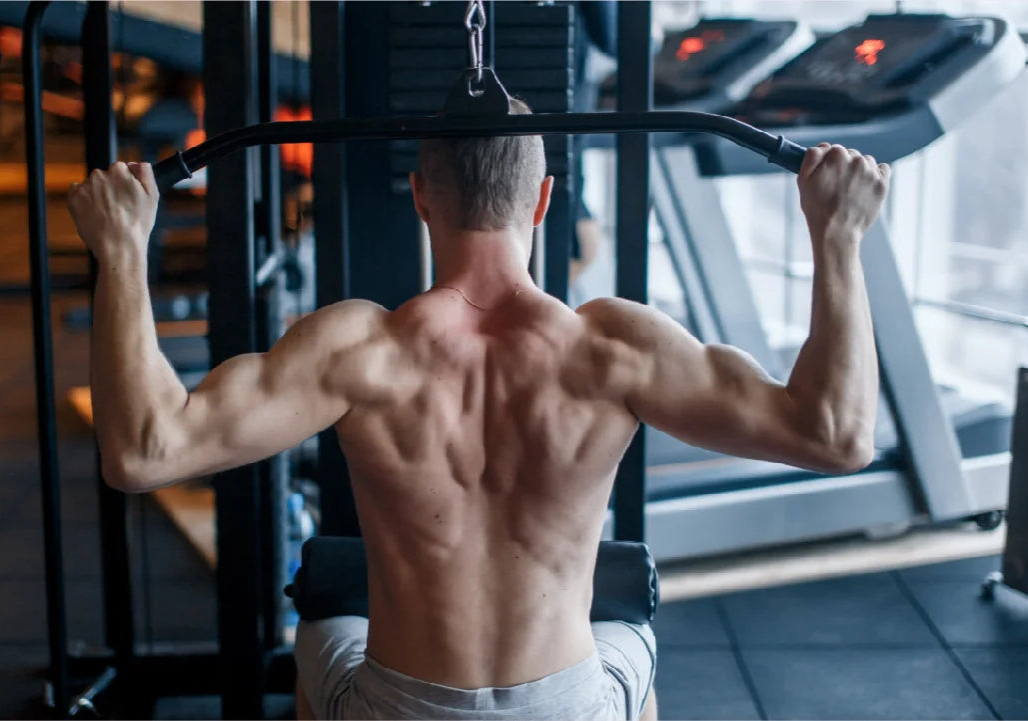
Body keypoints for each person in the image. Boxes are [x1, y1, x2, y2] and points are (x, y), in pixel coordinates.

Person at [66, 99, 887, 720]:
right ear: (543, 201)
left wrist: (122, 251)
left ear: (420, 196)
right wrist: (836, 239)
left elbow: (143, 452)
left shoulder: (359, 348)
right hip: (564, 705)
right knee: (632, 639)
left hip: (399, 704)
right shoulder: (617, 347)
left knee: (319, 635)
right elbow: (837, 434)